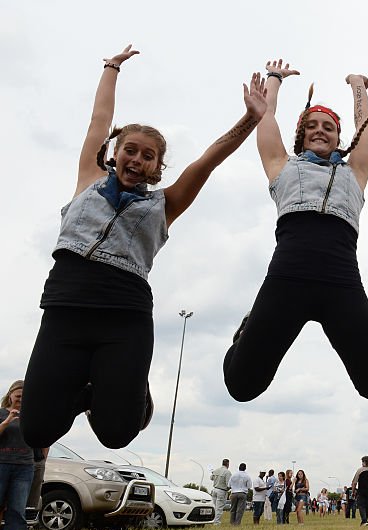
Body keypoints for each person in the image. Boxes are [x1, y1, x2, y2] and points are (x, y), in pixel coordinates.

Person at [19, 45, 266, 450]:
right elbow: (99, 120)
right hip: (65, 313)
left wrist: (249, 119)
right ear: (114, 155)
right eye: (129, 150)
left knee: (117, 434)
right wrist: (111, 68)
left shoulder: (164, 205)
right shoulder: (88, 180)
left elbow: (207, 161)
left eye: (148, 156)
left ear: (157, 167)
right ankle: (89, 388)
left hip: (124, 318)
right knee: (38, 431)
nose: (137, 159)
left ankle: (126, 387)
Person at [223, 59, 368, 406]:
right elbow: (266, 119)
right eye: (312, 125)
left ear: (338, 136)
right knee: (242, 387)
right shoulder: (282, 165)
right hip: (288, 278)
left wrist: (358, 84)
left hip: (341, 282)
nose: (320, 130)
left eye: (328, 127)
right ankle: (245, 333)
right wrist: (274, 80)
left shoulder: (355, 172)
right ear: (300, 134)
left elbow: (367, 127)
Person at [0, 381, 34, 530]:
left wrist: (42, 460)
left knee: (17, 509)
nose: (21, 399)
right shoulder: (1, 413)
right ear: (10, 395)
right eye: (18, 395)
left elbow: (42, 439)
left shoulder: (32, 415)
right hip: (2, 463)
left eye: (24, 396)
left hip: (24, 466)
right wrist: (7, 420)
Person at [351, 456, 368, 526]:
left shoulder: (360, 470)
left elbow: (354, 482)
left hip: (361, 491)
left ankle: (364, 520)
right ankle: (365, 520)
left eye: (362, 462)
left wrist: (353, 491)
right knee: (367, 506)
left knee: (361, 505)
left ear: (364, 462)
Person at [210, 459, 231, 526]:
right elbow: (228, 484)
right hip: (222, 490)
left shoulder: (216, 470)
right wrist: (229, 489)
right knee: (219, 508)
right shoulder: (227, 472)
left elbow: (211, 478)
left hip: (214, 489)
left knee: (214, 506)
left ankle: (212, 520)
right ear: (227, 464)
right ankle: (216, 522)